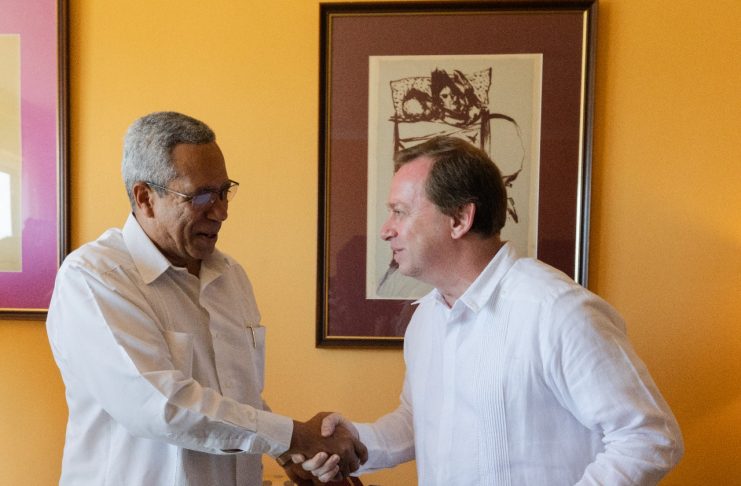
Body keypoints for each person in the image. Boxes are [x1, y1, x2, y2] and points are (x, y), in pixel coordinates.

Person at [294, 136, 684, 484]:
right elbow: (419, 422)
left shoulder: (557, 311)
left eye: (400, 211)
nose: (385, 229)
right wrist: (354, 440)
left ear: (460, 219)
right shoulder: (426, 319)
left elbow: (649, 437)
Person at [46, 111, 365, 485]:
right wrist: (293, 436)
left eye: (224, 191)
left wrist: (286, 453)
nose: (222, 212)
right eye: (200, 196)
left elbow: (237, 398)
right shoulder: (94, 277)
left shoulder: (231, 277)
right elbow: (159, 404)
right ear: (145, 198)